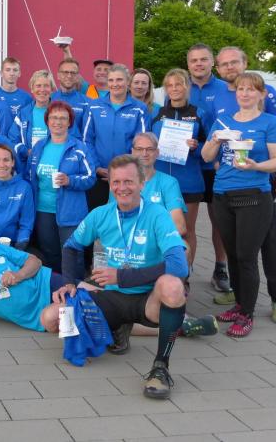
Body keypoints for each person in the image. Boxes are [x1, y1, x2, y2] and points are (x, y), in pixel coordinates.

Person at [58, 154, 189, 398]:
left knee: (172, 286)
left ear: (142, 184)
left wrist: (122, 277)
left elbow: (179, 266)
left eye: (128, 181)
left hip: (148, 300)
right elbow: (70, 247)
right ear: (110, 185)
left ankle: (160, 367)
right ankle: (173, 325)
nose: (122, 188)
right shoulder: (101, 214)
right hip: (112, 297)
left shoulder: (158, 214)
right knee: (51, 318)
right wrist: (68, 282)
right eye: (116, 182)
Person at [209, 47, 276, 321]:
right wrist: (217, 158)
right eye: (224, 64)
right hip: (228, 187)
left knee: (270, 245)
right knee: (238, 252)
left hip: (262, 185)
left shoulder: (266, 93)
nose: (229, 67)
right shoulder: (219, 96)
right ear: (219, 69)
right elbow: (213, 143)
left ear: (244, 62)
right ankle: (241, 295)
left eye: (234, 62)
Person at [28, 102, 96, 272]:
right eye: (53, 117)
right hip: (43, 210)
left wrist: (70, 180)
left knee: (73, 254)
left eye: (62, 118)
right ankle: (56, 285)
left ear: (69, 122)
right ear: (47, 121)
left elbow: (91, 178)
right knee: (49, 253)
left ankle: (75, 286)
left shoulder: (79, 148)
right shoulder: (39, 147)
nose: (57, 122)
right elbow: (29, 176)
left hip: (70, 212)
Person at [152, 69, 209, 268]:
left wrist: (196, 147)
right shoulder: (157, 113)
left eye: (179, 84)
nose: (174, 88)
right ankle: (157, 271)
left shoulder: (199, 114)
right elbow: (145, 141)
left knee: (186, 230)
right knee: (157, 229)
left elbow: (210, 148)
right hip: (159, 181)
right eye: (170, 85)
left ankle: (185, 273)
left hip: (189, 182)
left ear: (187, 87)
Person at [186, 43, 231, 293]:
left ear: (212, 62)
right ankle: (185, 269)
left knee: (219, 222)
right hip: (189, 166)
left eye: (203, 59)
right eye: (194, 60)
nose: (199, 64)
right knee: (186, 224)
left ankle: (220, 267)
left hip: (217, 166)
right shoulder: (181, 87)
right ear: (188, 64)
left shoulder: (225, 88)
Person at [82, 64, 149, 210]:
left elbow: (141, 143)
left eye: (119, 80)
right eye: (111, 80)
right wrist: (96, 167)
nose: (115, 84)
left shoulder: (139, 108)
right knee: (97, 216)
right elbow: (86, 140)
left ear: (128, 82)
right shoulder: (94, 106)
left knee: (126, 215)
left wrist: (122, 170)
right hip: (99, 174)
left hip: (127, 176)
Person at [113, 133, 187, 237]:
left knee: (184, 245)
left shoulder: (169, 182)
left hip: (158, 240)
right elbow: (112, 221)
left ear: (157, 153)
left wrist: (149, 239)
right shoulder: (119, 182)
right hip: (126, 240)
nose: (144, 153)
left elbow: (180, 226)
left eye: (150, 149)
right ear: (132, 152)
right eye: (139, 149)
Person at [10, 70, 54, 165]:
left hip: (54, 163)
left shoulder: (60, 112)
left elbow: (71, 137)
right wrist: (26, 152)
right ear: (32, 89)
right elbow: (12, 140)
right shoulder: (23, 114)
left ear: (51, 89)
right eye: (38, 86)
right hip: (29, 165)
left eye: (46, 86)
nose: (42, 89)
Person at [51, 57, 91, 139]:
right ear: (58, 75)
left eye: (73, 73)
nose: (69, 76)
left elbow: (88, 135)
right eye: (65, 72)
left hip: (77, 146)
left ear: (77, 77)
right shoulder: (50, 100)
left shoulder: (87, 102)